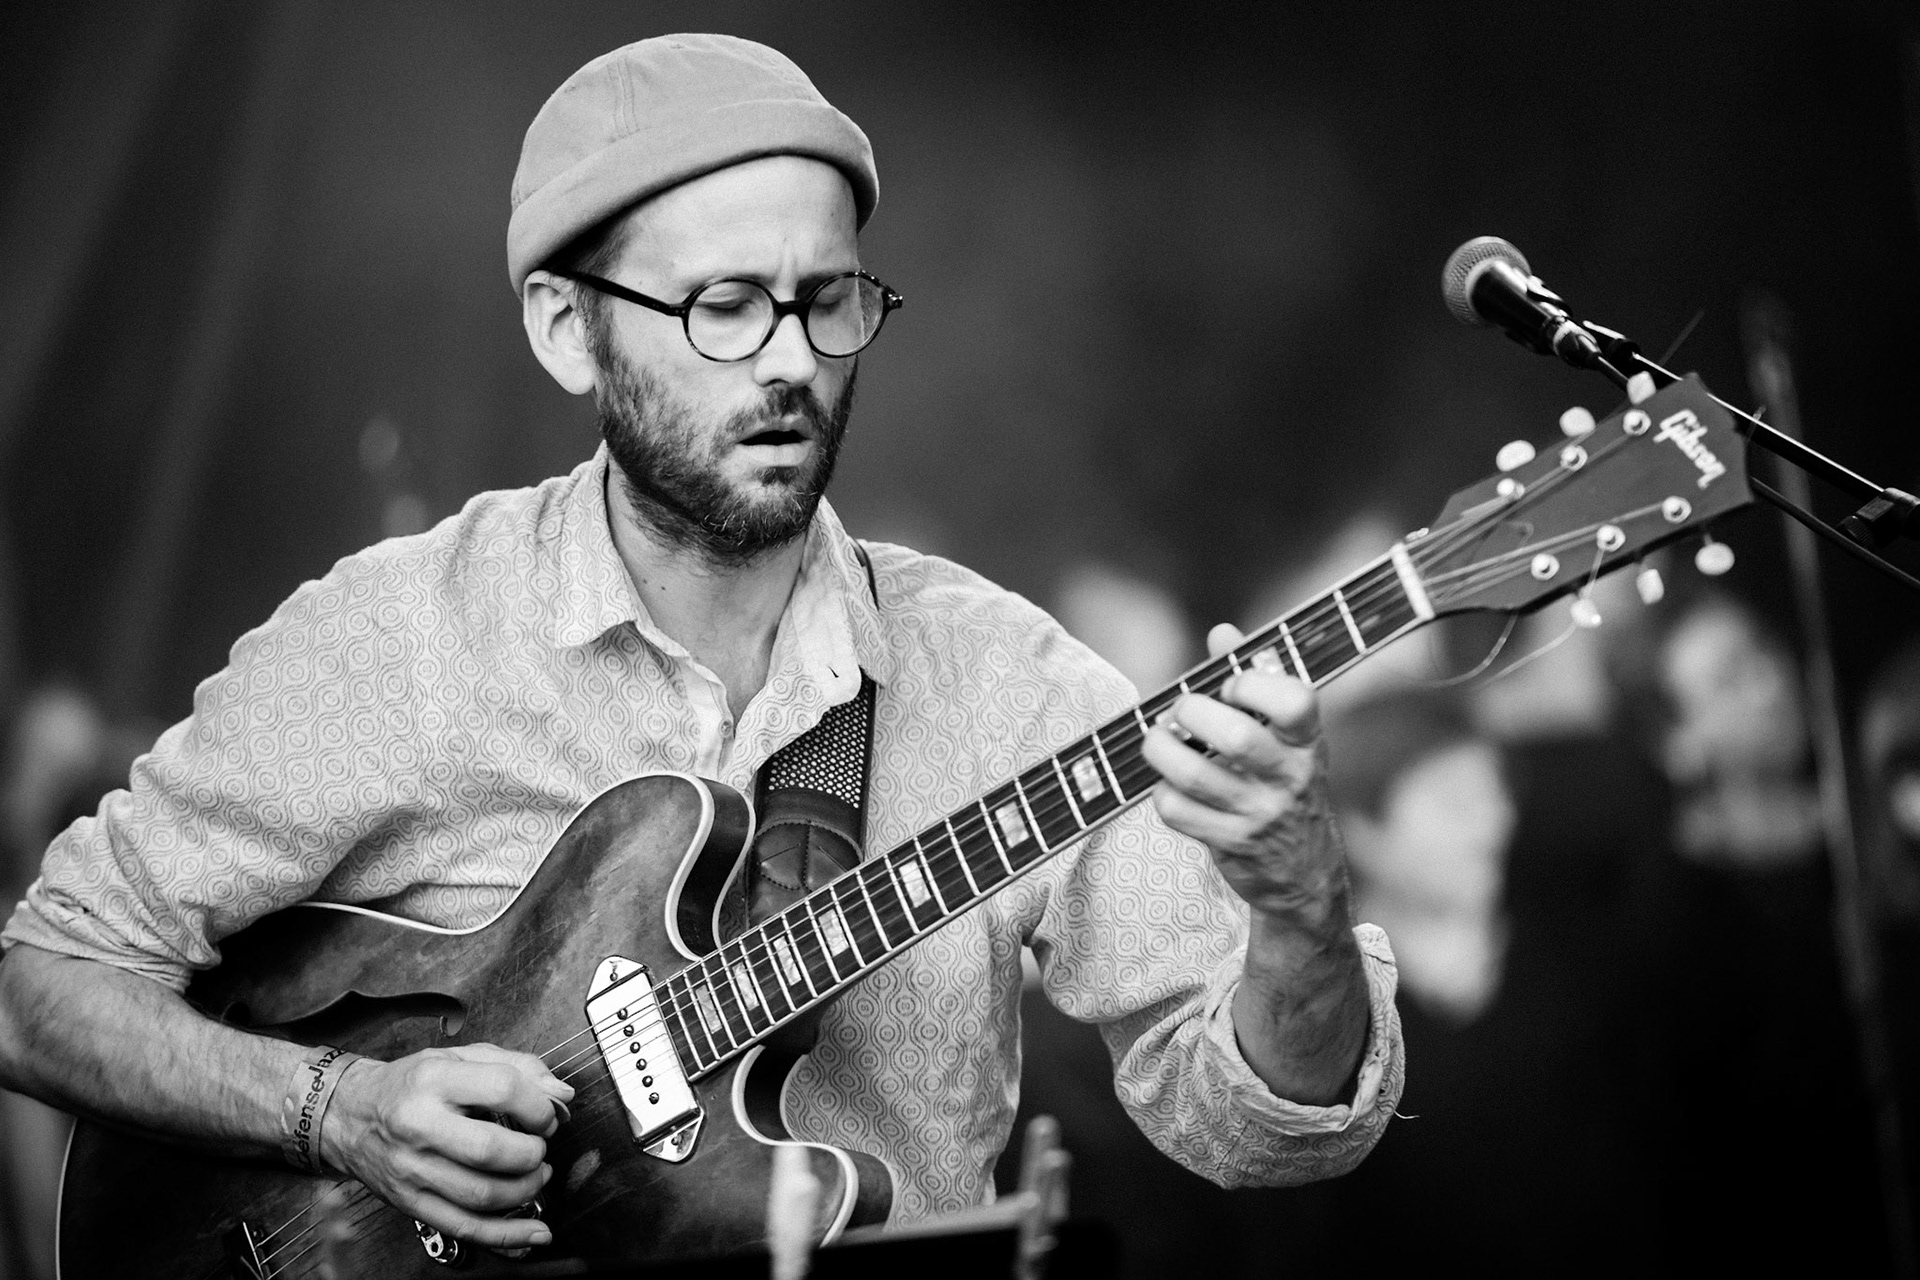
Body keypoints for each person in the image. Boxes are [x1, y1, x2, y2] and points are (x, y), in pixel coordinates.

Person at [0, 34, 1402, 1259]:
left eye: (829, 300)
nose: (791, 359)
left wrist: (1300, 914)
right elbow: (41, 988)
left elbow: (1261, 1133)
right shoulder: (399, 638)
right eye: (724, 306)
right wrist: (340, 1112)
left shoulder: (1013, 689)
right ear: (567, 330)